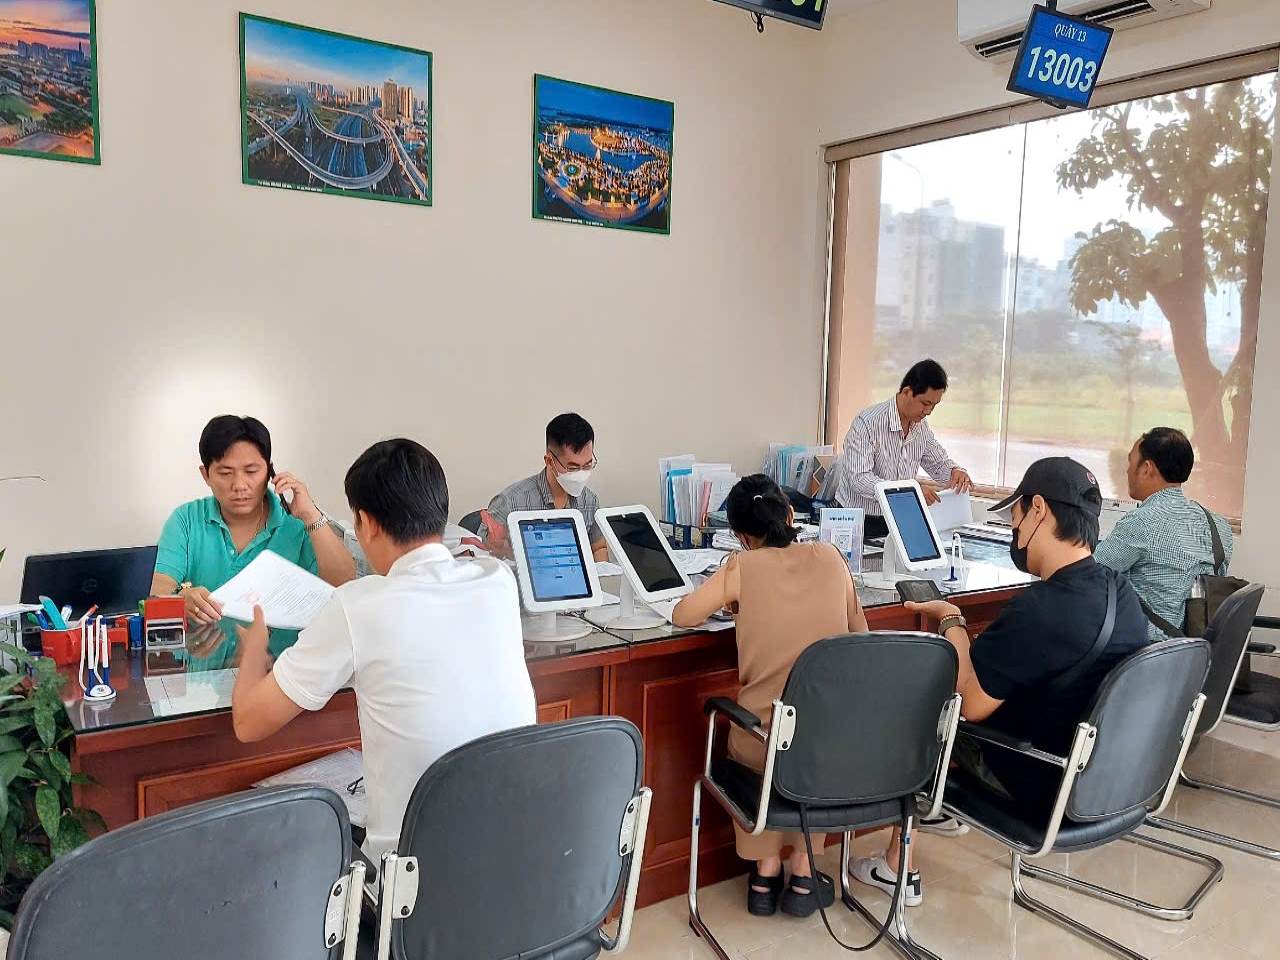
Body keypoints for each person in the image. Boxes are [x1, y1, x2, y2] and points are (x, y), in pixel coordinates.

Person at [852, 457, 1148, 907]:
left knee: (920, 704)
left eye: (1015, 515)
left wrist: (951, 621)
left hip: (1038, 783)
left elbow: (969, 704)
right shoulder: (1120, 592)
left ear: (1039, 511)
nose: (1014, 528)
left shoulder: (1042, 609)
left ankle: (898, 864)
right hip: (1101, 781)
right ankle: (931, 822)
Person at [230, 439, 536, 861]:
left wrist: (255, 648)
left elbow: (249, 723)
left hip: (411, 880)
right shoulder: (497, 580)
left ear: (367, 524)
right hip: (512, 858)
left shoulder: (360, 605)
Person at [672, 475, 868, 920]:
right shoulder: (833, 558)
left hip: (762, 740)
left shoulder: (742, 567)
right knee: (814, 747)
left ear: (741, 536)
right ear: (791, 515)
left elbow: (683, 615)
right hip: (827, 746)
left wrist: (736, 597)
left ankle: (764, 875)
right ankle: (803, 873)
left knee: (760, 737)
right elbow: (861, 636)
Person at [150, 415, 356, 657]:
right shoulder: (186, 520)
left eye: (251, 471)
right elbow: (156, 595)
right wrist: (182, 600)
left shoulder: (296, 524)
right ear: (206, 475)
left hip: (281, 673)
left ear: (270, 471)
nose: (239, 485)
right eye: (225, 473)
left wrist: (311, 515)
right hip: (200, 673)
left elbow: (345, 586)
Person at [1096, 427, 1234, 640]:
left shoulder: (1142, 522)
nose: (1127, 470)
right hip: (1197, 655)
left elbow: (1088, 572)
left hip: (1147, 654)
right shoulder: (1219, 526)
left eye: (1131, 461)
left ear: (1147, 468)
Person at [837, 360, 972, 539]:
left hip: (898, 520)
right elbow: (859, 479)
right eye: (925, 403)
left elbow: (938, 463)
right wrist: (910, 491)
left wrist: (955, 472)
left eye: (934, 405)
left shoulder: (920, 426)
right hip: (858, 521)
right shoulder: (867, 423)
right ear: (907, 392)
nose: (929, 411)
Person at [481, 413, 608, 561]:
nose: (581, 474)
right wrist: (498, 548)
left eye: (587, 465)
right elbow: (481, 559)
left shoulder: (589, 501)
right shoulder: (510, 503)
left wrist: (600, 576)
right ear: (549, 461)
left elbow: (599, 547)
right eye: (573, 467)